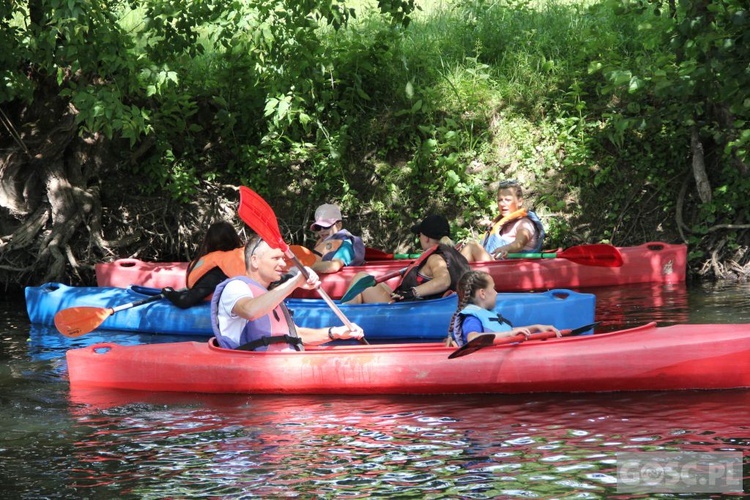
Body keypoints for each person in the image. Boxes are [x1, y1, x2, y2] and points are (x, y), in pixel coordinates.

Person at [210, 236, 365, 350]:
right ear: (255, 260)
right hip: (253, 368)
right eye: (276, 258)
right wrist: (295, 282)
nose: (283, 264)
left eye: (283, 258)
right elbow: (250, 311)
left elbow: (296, 335)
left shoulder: (269, 296)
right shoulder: (236, 287)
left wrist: (335, 332)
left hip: (282, 364)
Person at [344, 214, 470, 304]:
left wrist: (413, 292)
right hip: (420, 305)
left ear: (426, 238)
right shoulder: (455, 255)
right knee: (371, 280)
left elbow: (444, 281)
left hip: (412, 311)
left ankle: (342, 316)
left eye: (419, 235)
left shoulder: (435, 258)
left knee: (360, 277)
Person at [447, 270, 560, 347]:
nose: (496, 293)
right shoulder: (472, 318)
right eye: (494, 288)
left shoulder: (488, 313)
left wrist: (536, 327)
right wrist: (509, 335)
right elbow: (473, 338)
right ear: (482, 293)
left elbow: (505, 331)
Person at [163, 221, 246, 309]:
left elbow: (185, 301)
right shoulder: (247, 257)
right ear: (235, 238)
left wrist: (169, 292)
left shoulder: (216, 270)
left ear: (209, 242)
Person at [460, 180, 545, 262]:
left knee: (472, 246)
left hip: (508, 269)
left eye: (507, 200)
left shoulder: (524, 224)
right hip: (494, 265)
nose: (502, 204)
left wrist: (507, 248)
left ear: (520, 202)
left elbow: (519, 243)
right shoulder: (505, 223)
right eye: (500, 200)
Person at [309, 203, 366, 274]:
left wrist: (308, 266)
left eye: (326, 226)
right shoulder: (321, 243)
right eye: (318, 227)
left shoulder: (346, 245)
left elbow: (334, 266)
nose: (322, 230)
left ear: (339, 225)